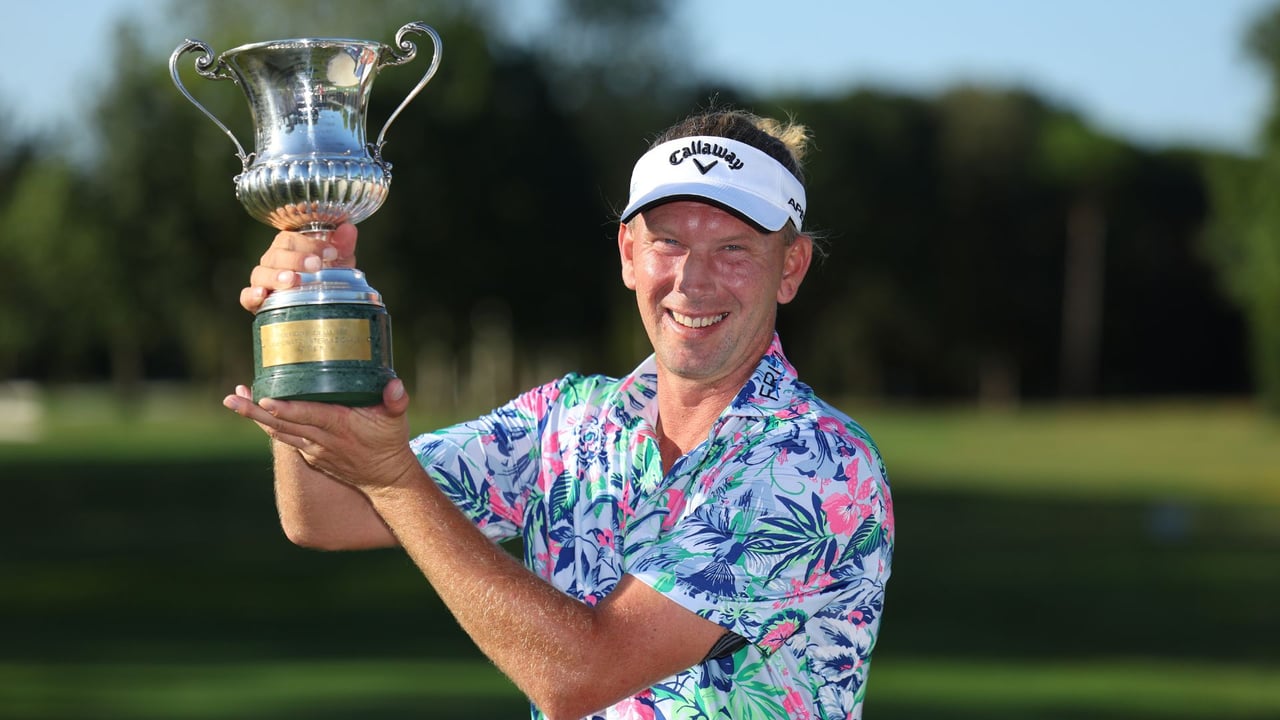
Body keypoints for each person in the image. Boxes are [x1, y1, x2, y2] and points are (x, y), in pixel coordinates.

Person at [223, 108, 894, 720]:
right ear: (630, 254)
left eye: (734, 249)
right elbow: (326, 514)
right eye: (669, 243)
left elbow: (580, 673)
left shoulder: (819, 462)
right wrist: (301, 324)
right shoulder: (566, 420)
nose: (693, 281)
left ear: (791, 266)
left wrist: (395, 478)